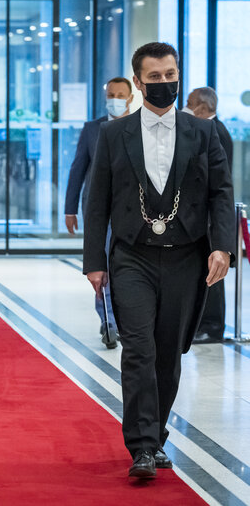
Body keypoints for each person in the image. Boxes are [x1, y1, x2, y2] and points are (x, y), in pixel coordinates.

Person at [83, 42, 234, 478]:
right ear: (138, 82)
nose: (165, 83)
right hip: (132, 256)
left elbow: (222, 192)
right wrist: (95, 260)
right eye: (155, 77)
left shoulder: (204, 133)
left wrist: (222, 246)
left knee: (168, 354)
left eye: (171, 75)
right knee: (139, 351)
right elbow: (99, 203)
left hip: (187, 256)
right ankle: (143, 447)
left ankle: (158, 432)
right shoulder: (113, 134)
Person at [65, 76, 133, 349]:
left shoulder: (140, 125)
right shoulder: (93, 128)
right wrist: (70, 208)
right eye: (111, 94)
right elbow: (78, 167)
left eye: (120, 94)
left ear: (131, 97)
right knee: (101, 266)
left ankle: (128, 319)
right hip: (98, 209)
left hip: (131, 210)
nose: (115, 99)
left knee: (125, 267)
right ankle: (108, 321)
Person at [184, 87, 234, 345]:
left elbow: (219, 181)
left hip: (213, 218)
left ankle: (213, 326)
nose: (186, 106)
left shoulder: (217, 132)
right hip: (200, 217)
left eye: (190, 103)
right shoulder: (206, 130)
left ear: (202, 107)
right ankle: (203, 322)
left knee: (215, 271)